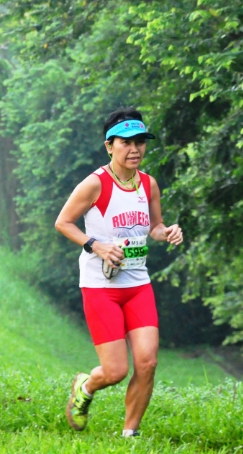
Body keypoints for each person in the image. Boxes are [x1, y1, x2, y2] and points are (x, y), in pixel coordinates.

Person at [55, 107, 183, 437]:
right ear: (109, 146)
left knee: (148, 362)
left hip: (138, 284)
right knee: (115, 371)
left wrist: (167, 232)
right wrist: (95, 245)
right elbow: (63, 222)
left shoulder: (148, 184)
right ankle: (85, 387)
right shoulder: (94, 184)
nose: (135, 149)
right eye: (126, 143)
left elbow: (154, 227)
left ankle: (130, 434)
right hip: (101, 287)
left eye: (140, 142)